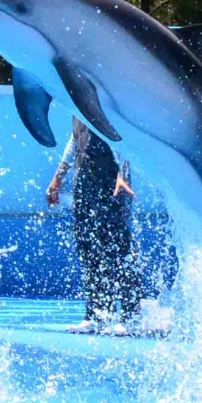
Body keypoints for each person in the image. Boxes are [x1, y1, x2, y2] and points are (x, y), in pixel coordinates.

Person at [48, 119, 142, 334]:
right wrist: (58, 178)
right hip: (84, 179)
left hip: (114, 180)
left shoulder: (105, 96)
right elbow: (75, 139)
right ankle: (98, 314)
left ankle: (131, 316)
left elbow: (126, 137)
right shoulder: (76, 102)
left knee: (118, 248)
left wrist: (122, 174)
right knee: (88, 248)